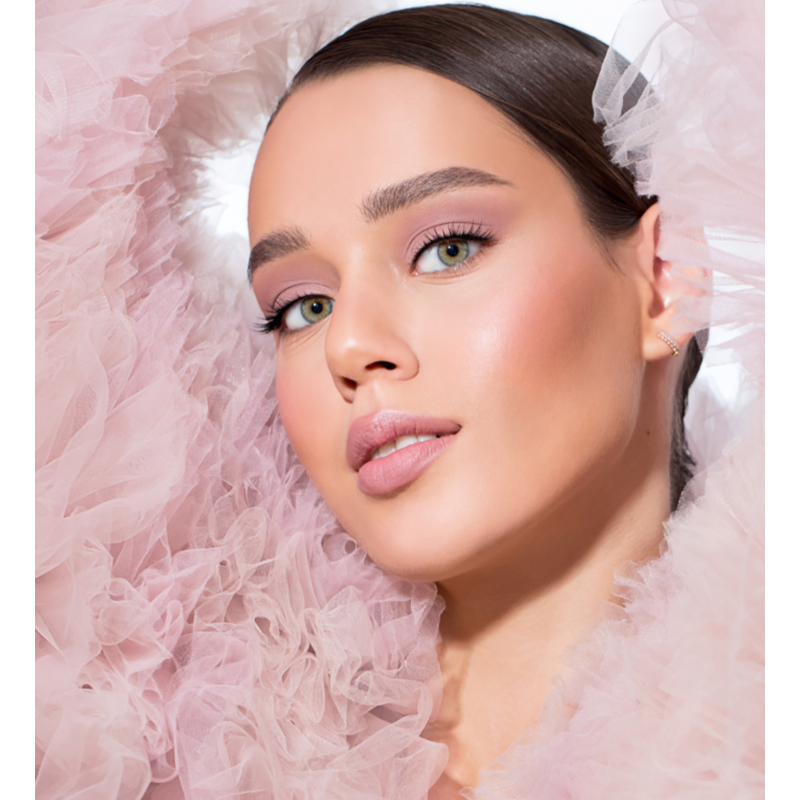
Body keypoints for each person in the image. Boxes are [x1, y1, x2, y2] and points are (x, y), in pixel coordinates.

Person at [35, 1, 763, 798]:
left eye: (447, 249)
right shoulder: (138, 728)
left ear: (665, 278)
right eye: (303, 307)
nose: (348, 346)